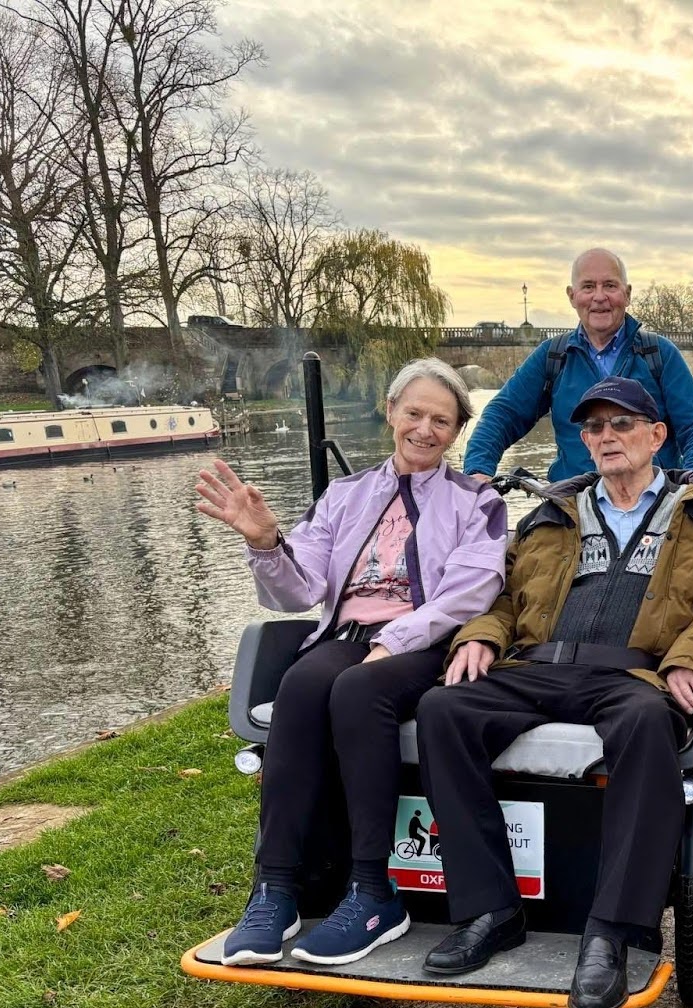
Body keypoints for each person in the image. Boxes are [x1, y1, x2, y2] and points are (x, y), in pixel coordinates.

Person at [417, 375, 693, 1008]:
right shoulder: (551, 514)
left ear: (657, 436)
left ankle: (611, 930)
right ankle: (491, 910)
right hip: (538, 667)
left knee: (647, 723)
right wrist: (483, 636)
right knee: (444, 709)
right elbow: (502, 596)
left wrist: (689, 653)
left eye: (622, 424)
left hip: (631, 675)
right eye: (594, 427)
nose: (607, 436)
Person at [196, 359, 508, 968]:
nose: (424, 430)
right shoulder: (344, 495)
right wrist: (266, 543)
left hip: (427, 642)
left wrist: (397, 637)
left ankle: (372, 890)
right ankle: (277, 887)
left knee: (360, 690)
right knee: (300, 684)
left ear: (457, 431)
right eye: (413, 413)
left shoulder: (477, 500)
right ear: (390, 412)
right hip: (347, 634)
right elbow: (299, 590)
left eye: (441, 421)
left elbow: (471, 591)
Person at [461, 247, 693, 482]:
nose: (599, 297)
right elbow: (503, 415)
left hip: (653, 504)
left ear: (627, 294)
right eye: (588, 287)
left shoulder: (659, 354)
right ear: (572, 296)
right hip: (573, 504)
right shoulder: (553, 357)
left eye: (610, 285)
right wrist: (478, 471)